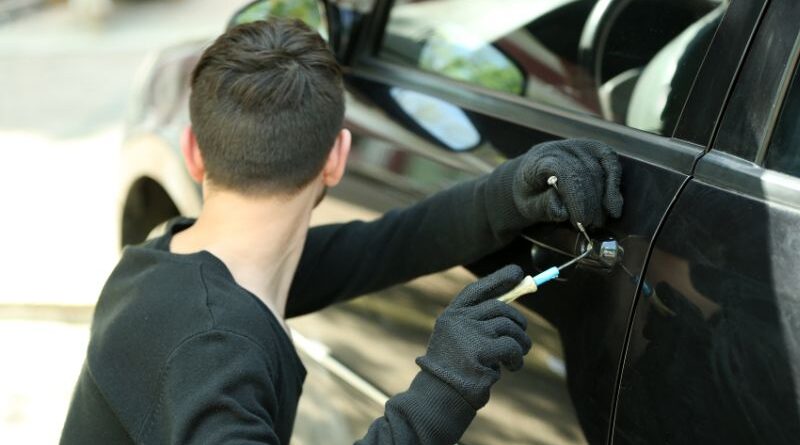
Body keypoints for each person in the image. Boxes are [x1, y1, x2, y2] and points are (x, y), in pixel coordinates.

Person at [60, 18, 623, 444]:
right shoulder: (213, 355)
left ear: (193, 152)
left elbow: (388, 245)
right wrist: (444, 388)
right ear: (337, 158)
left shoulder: (171, 266)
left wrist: (508, 192)